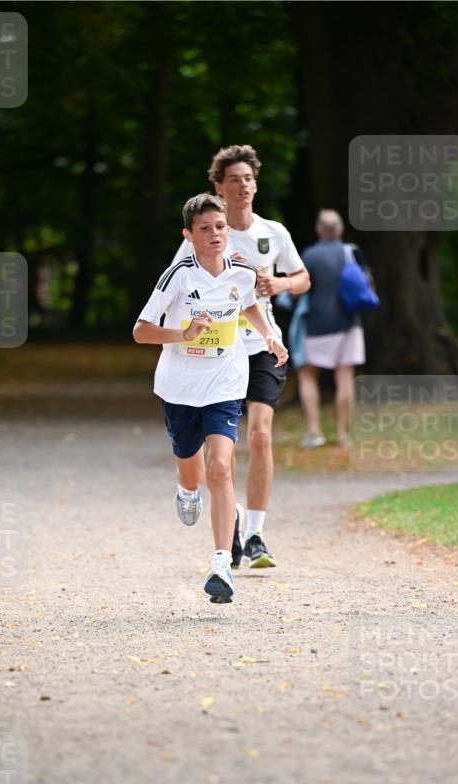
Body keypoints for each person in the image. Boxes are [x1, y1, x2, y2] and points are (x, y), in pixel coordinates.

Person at [133, 193, 288, 604]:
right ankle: (186, 491)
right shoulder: (177, 276)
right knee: (193, 474)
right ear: (189, 235)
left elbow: (251, 304)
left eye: (220, 227)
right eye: (205, 228)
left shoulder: (241, 271)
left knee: (221, 468)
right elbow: (141, 330)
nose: (216, 234)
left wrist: (269, 335)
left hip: (225, 382)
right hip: (180, 387)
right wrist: (182, 335)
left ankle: (221, 563)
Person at [172, 144, 310, 569]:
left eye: (249, 178)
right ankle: (227, 523)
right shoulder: (205, 234)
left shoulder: (273, 232)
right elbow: (175, 286)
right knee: (222, 449)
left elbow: (303, 278)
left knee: (262, 435)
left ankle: (256, 533)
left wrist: (279, 285)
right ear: (219, 186)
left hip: (263, 346)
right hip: (218, 351)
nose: (244, 186)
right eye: (234, 179)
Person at [299, 209, 369, 449]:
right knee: (345, 376)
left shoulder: (309, 255)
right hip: (350, 323)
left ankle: (314, 431)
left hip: (318, 324)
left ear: (319, 229)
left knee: (308, 374)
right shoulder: (352, 253)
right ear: (340, 230)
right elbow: (368, 284)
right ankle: (342, 435)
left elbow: (300, 290)